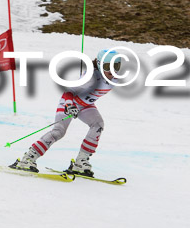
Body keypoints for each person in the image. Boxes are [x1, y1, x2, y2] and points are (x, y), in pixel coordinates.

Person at [11, 49, 120, 177]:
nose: (112, 71)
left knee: (98, 125)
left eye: (116, 66)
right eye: (108, 67)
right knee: (59, 132)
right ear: (100, 65)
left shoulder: (116, 78)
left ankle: (81, 163)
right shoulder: (90, 77)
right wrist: (69, 105)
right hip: (70, 103)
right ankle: (27, 159)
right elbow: (68, 92)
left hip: (85, 105)